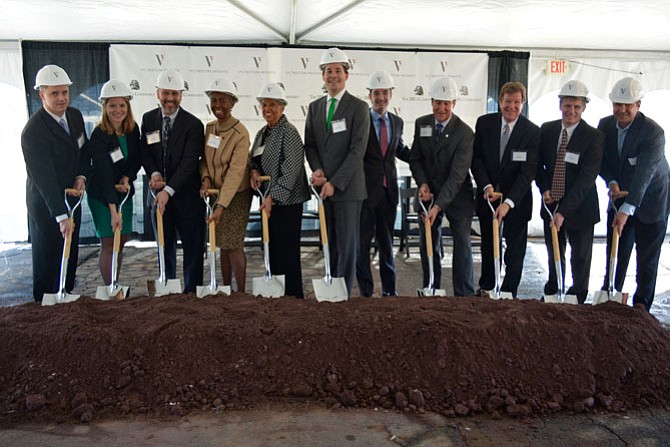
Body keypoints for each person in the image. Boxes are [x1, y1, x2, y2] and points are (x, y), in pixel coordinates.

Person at [598, 77, 670, 311]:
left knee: (647, 259)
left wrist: (626, 210)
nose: (622, 109)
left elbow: (644, 175)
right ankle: (610, 297)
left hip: (651, 200)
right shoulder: (605, 125)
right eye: (618, 104)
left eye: (628, 104)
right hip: (620, 197)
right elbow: (602, 161)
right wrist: (612, 180)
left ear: (638, 105)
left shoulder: (653, 133)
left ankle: (641, 307)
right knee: (616, 252)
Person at [304, 47, 370, 297]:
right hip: (324, 188)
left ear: (346, 75)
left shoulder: (358, 107)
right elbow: (310, 144)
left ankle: (342, 296)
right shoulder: (315, 107)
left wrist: (335, 182)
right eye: (328, 71)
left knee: (347, 245)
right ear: (323, 76)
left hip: (348, 189)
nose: (333, 76)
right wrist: (318, 170)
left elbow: (357, 150)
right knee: (329, 242)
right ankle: (331, 287)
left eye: (338, 71)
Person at [21, 65, 88, 303]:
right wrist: (60, 216)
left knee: (69, 251)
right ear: (42, 95)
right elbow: (44, 178)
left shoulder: (75, 116)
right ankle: (44, 304)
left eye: (64, 92)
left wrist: (81, 176)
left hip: (71, 197)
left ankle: (66, 293)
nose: (61, 98)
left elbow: (83, 150)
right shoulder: (33, 131)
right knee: (48, 254)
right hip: (46, 203)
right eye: (54, 94)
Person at [537, 80, 604, 304]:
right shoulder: (546, 130)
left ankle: (577, 296)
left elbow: (587, 179)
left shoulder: (593, 137)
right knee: (554, 252)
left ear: (584, 108)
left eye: (577, 107)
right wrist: (545, 188)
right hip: (551, 203)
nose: (571, 111)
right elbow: (538, 165)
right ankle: (554, 289)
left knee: (580, 257)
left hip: (581, 206)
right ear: (560, 105)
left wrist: (564, 211)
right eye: (567, 106)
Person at [471, 82, 540, 298]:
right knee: (489, 245)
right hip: (487, 197)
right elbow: (477, 159)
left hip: (516, 202)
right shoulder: (484, 124)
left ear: (523, 103)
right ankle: (488, 288)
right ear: (500, 102)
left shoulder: (532, 132)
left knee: (515, 249)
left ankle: (509, 291)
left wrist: (508, 203)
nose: (511, 106)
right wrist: (487, 185)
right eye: (507, 101)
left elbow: (528, 172)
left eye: (516, 102)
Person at [409, 77, 475, 296]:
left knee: (463, 245)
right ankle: (432, 288)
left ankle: (464, 294)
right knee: (428, 243)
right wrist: (423, 184)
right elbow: (415, 158)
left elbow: (457, 176)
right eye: (438, 102)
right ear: (431, 101)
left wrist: (438, 206)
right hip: (428, 194)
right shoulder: (422, 123)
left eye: (446, 103)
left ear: (454, 103)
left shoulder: (465, 133)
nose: (441, 108)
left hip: (457, 196)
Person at [140, 69, 205, 293]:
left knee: (192, 248)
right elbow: (146, 153)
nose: (170, 99)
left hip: (186, 198)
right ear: (157, 93)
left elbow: (189, 163)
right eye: (166, 93)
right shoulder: (148, 119)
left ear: (182, 95)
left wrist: (168, 190)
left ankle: (191, 292)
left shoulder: (194, 125)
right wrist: (154, 174)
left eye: (175, 94)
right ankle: (167, 288)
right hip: (159, 197)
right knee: (164, 246)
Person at [249, 83, 310, 298]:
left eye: (272, 104)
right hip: (269, 202)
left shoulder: (289, 132)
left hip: (287, 203)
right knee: (272, 249)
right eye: (264, 104)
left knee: (287, 253)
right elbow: (254, 160)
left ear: (282, 107)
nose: (267, 109)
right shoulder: (261, 133)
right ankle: (276, 295)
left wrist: (273, 197)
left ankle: (293, 298)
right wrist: (254, 173)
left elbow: (292, 169)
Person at [356, 70, 410, 297]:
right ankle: (366, 291)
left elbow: (399, 149)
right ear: (369, 95)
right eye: (376, 93)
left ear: (391, 95)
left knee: (387, 244)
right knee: (363, 245)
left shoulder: (397, 122)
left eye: (385, 93)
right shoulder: (361, 120)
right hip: (366, 193)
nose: (381, 98)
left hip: (389, 194)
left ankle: (390, 290)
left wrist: (423, 159)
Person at [86, 80, 141, 287]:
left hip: (123, 193)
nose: (118, 110)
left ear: (128, 107)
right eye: (112, 105)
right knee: (109, 242)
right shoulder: (99, 135)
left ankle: (115, 282)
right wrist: (113, 211)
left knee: (122, 239)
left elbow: (136, 159)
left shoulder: (132, 129)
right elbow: (104, 172)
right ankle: (111, 290)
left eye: (122, 105)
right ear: (104, 107)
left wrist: (127, 177)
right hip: (102, 196)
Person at [199, 79, 251, 293]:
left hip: (236, 195)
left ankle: (240, 292)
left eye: (223, 100)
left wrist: (221, 206)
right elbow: (203, 159)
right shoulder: (210, 128)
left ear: (232, 103)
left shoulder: (241, 133)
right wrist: (205, 178)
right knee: (222, 243)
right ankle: (226, 289)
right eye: (214, 100)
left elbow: (236, 173)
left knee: (233, 244)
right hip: (215, 194)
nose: (217, 104)